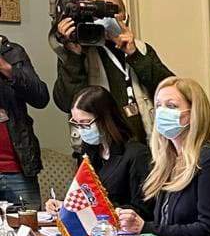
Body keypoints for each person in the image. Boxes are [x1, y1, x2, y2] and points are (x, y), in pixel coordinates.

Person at [118, 77, 210, 236]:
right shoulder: (167, 162)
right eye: (158, 106)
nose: (162, 112)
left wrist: (145, 228)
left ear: (193, 113)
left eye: (171, 106)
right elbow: (165, 223)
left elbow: (208, 229)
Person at [50, 0, 173, 142]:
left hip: (144, 144)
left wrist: (134, 55)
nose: (107, 17)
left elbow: (170, 89)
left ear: (125, 16)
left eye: (113, 10)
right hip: (103, 146)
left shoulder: (140, 49)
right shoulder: (78, 52)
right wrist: (74, 56)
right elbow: (66, 102)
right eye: (98, 10)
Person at [44, 86, 152, 218]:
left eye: (85, 123)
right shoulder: (88, 151)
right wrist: (65, 205)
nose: (81, 130)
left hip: (123, 225)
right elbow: (85, 194)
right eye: (76, 123)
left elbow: (144, 210)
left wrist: (104, 211)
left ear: (106, 119)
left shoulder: (137, 154)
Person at [0, 19, 50, 209]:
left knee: (29, 224)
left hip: (17, 168)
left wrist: (6, 68)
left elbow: (41, 98)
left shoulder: (14, 53)